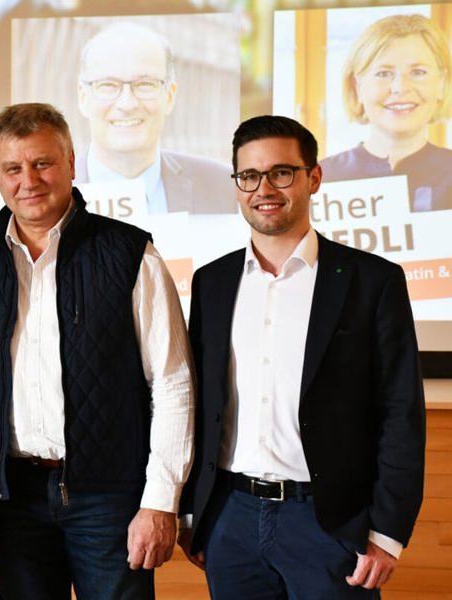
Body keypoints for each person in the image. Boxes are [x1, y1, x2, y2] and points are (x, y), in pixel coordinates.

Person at [0, 102, 195, 599]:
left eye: (43, 163)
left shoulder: (130, 255)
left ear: (71, 163)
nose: (29, 180)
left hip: (110, 497)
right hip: (12, 499)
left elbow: (173, 383)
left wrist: (160, 501)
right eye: (12, 168)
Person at [179, 115, 426, 598]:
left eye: (281, 172)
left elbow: (401, 412)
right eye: (248, 176)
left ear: (314, 178)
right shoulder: (212, 282)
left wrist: (387, 532)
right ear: (236, 186)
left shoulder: (372, 281)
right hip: (231, 518)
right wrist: (195, 512)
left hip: (331, 524)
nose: (263, 188)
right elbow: (199, 404)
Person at [75, 21, 233, 214]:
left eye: (145, 85)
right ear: (83, 98)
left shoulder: (225, 189)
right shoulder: (44, 193)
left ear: (170, 95)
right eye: (107, 85)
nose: (127, 104)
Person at [321, 14, 452, 212]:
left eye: (418, 72)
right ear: (358, 87)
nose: (400, 87)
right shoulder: (321, 179)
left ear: (441, 84)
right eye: (383, 73)